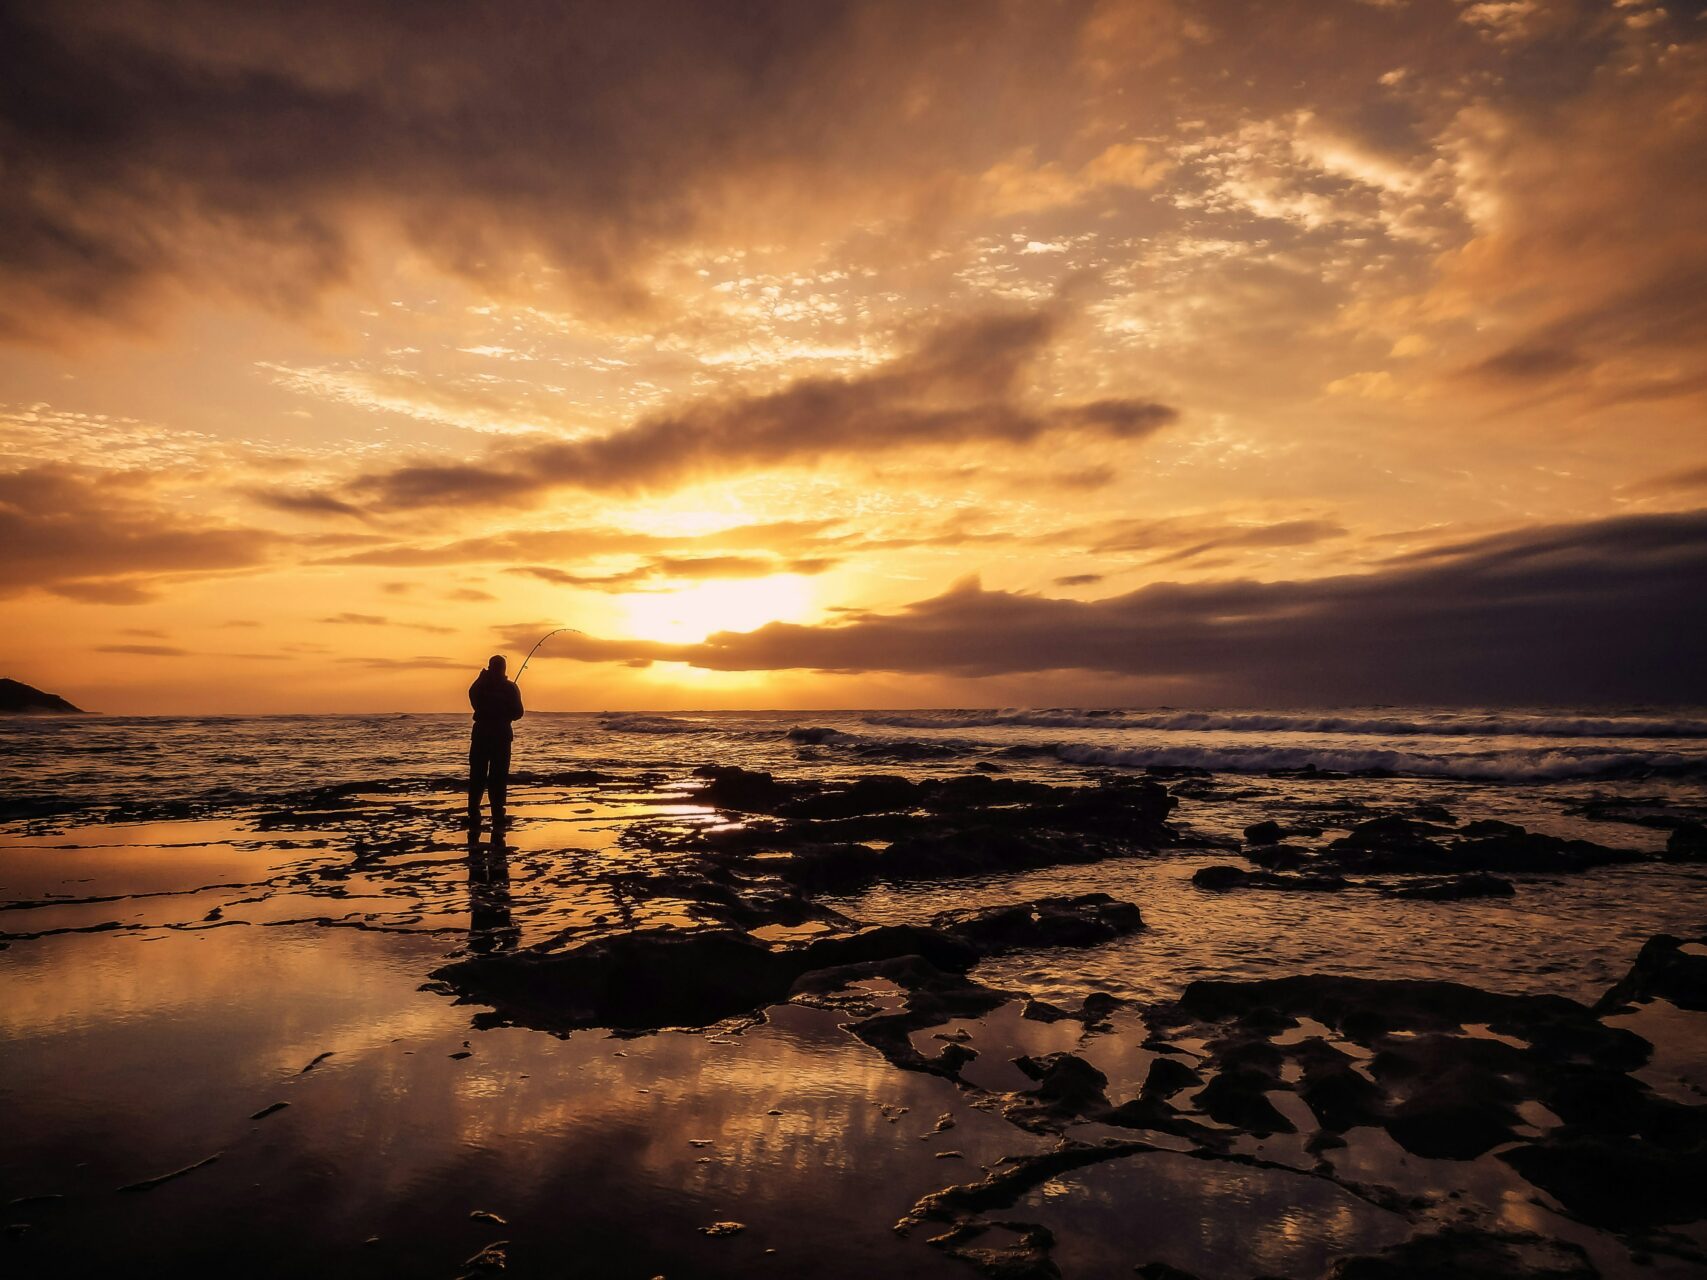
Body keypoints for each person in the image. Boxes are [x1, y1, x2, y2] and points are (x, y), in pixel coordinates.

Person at [467, 654, 523, 831]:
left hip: (481, 734)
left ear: (490, 667)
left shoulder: (480, 686)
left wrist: (482, 677)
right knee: (498, 777)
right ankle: (498, 814)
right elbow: (518, 713)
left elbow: (472, 697)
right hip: (501, 735)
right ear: (504, 668)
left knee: (477, 775)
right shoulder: (510, 688)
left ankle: (474, 812)